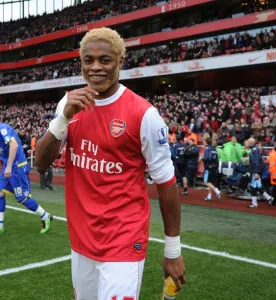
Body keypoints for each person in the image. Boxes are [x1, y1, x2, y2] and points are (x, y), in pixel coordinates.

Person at [35, 27, 185, 300]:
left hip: (124, 240)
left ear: (120, 61)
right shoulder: (68, 104)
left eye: (105, 60)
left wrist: (172, 251)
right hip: (81, 240)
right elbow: (42, 163)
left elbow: (166, 183)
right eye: (88, 60)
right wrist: (62, 119)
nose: (95, 68)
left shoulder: (144, 114)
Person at [0, 123, 52, 234]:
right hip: (7, 166)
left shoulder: (3, 129)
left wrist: (8, 166)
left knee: (21, 198)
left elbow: (14, 145)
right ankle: (0, 225)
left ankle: (45, 216)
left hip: (17, 167)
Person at [247, 138, 273, 208]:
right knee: (258, 187)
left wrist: (256, 172)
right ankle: (269, 198)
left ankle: (255, 204)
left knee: (253, 187)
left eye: (248, 142)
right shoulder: (255, 150)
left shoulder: (254, 150)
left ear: (251, 143)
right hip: (255, 171)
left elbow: (256, 162)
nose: (247, 143)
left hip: (255, 171)